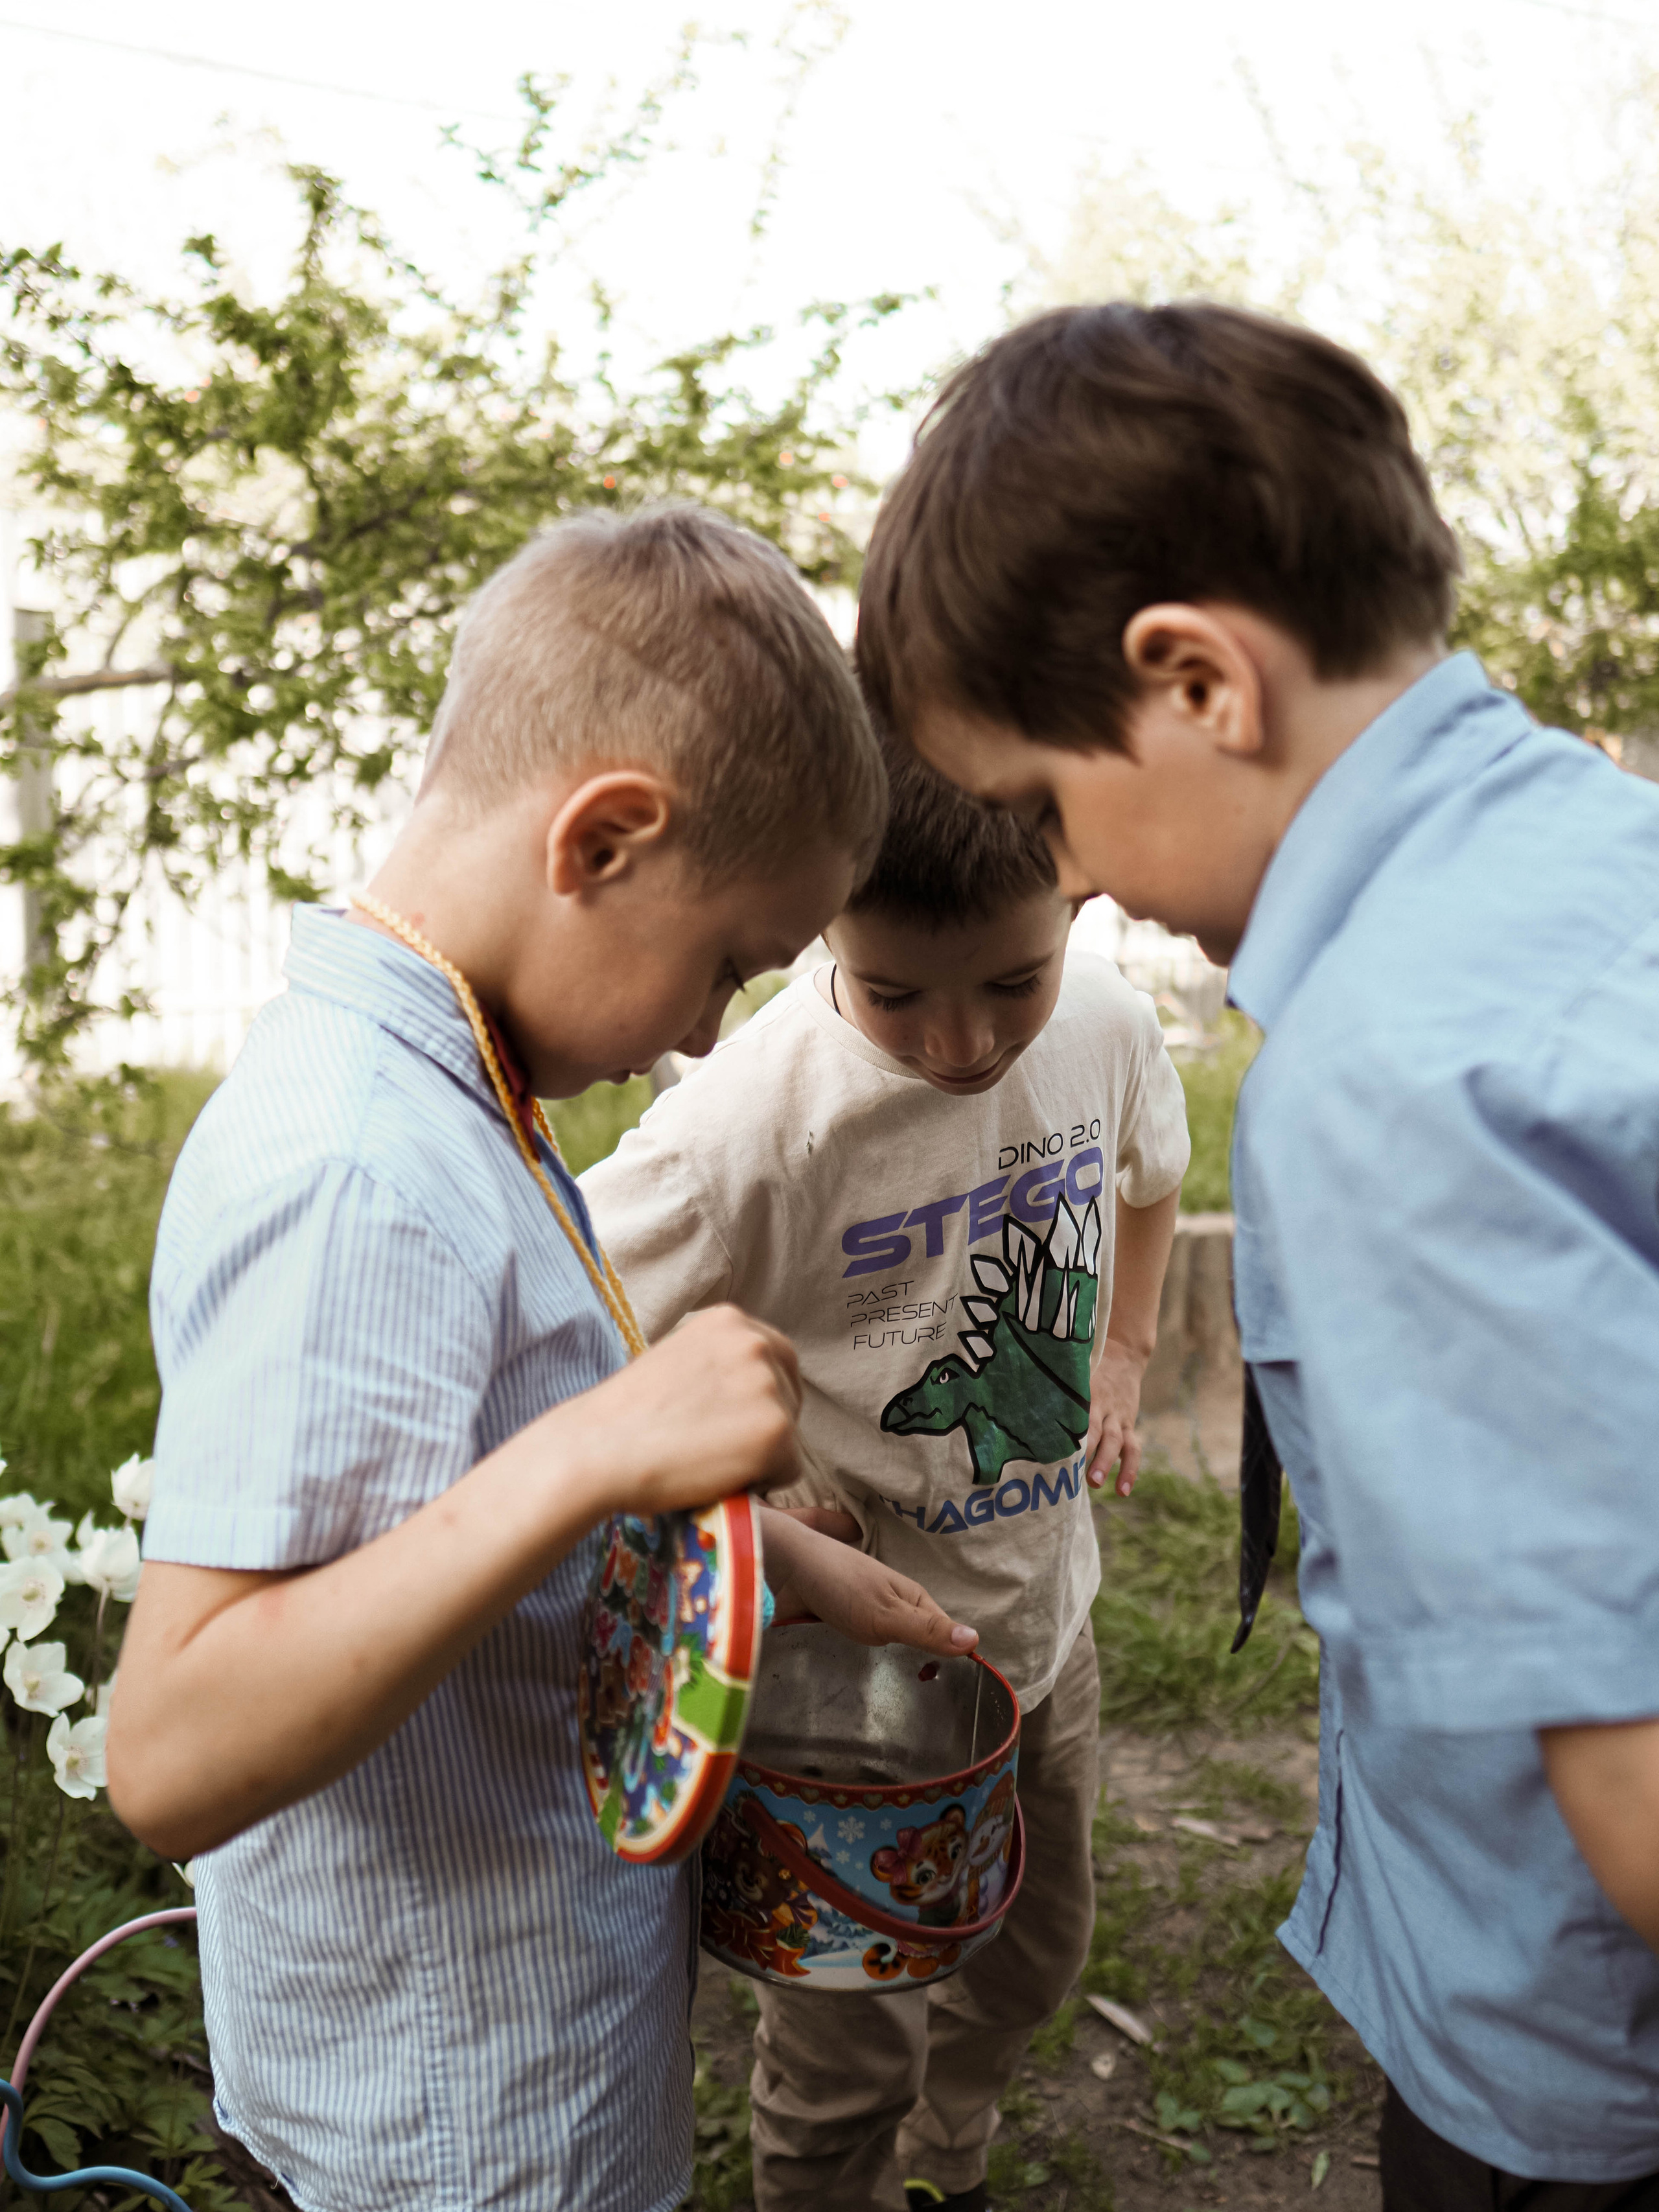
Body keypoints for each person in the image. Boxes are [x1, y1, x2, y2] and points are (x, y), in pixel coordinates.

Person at [855, 300, 1659, 2209]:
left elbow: (1629, 1751)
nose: (1087, 879)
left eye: (1051, 806)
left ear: (1199, 679)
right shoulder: (1605, 861)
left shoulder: (1391, 1078)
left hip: (1577, 2074)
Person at [105, 506, 973, 2212]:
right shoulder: (356, 1167)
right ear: (606, 838)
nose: (709, 1029)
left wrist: (764, 1555)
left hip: (524, 2064)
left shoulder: (453, 1084)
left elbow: (440, 1501)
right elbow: (175, 1747)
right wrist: (594, 1450)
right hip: (446, 2132)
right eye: (727, 958)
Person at [582, 735, 1189, 2212]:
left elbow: (1150, 1174)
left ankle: (950, 2163)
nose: (962, 1043)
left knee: (1032, 1947)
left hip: (1042, 1630)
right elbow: (562, 1324)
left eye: (1009, 982)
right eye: (897, 992)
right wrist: (752, 1490)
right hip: (840, 1703)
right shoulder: (746, 1124)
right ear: (823, 926)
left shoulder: (1101, 1023)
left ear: (1076, 904)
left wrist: (1122, 1346)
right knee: (848, 2042)